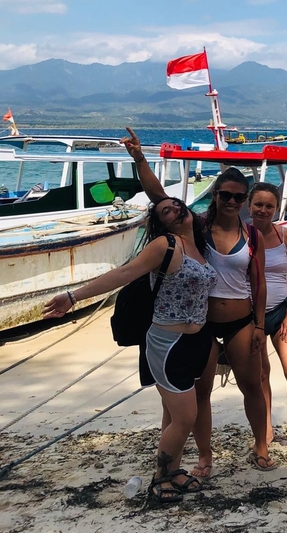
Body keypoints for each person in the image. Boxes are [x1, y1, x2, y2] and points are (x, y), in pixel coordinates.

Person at [43, 197, 218, 502]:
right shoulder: (165, 245)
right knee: (185, 417)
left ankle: (173, 471)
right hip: (167, 343)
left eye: (177, 204)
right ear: (161, 224)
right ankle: (161, 480)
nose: (175, 210)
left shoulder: (199, 247)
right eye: (166, 211)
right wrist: (73, 297)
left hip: (196, 341)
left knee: (173, 414)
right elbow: (125, 273)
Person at [121, 129, 273, 474]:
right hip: (201, 324)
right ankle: (205, 456)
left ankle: (261, 446)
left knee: (252, 385)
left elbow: (259, 283)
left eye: (239, 197)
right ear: (215, 195)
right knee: (201, 393)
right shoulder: (198, 227)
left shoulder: (252, 235)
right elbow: (161, 198)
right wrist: (140, 159)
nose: (232, 202)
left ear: (245, 199)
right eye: (226, 195)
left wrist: (261, 325)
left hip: (240, 322)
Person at [249, 182, 287, 461]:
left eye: (269, 206)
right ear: (249, 206)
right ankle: (266, 427)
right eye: (258, 204)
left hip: (282, 311)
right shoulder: (241, 235)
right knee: (261, 373)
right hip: (252, 317)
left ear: (277, 208)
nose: (263, 210)